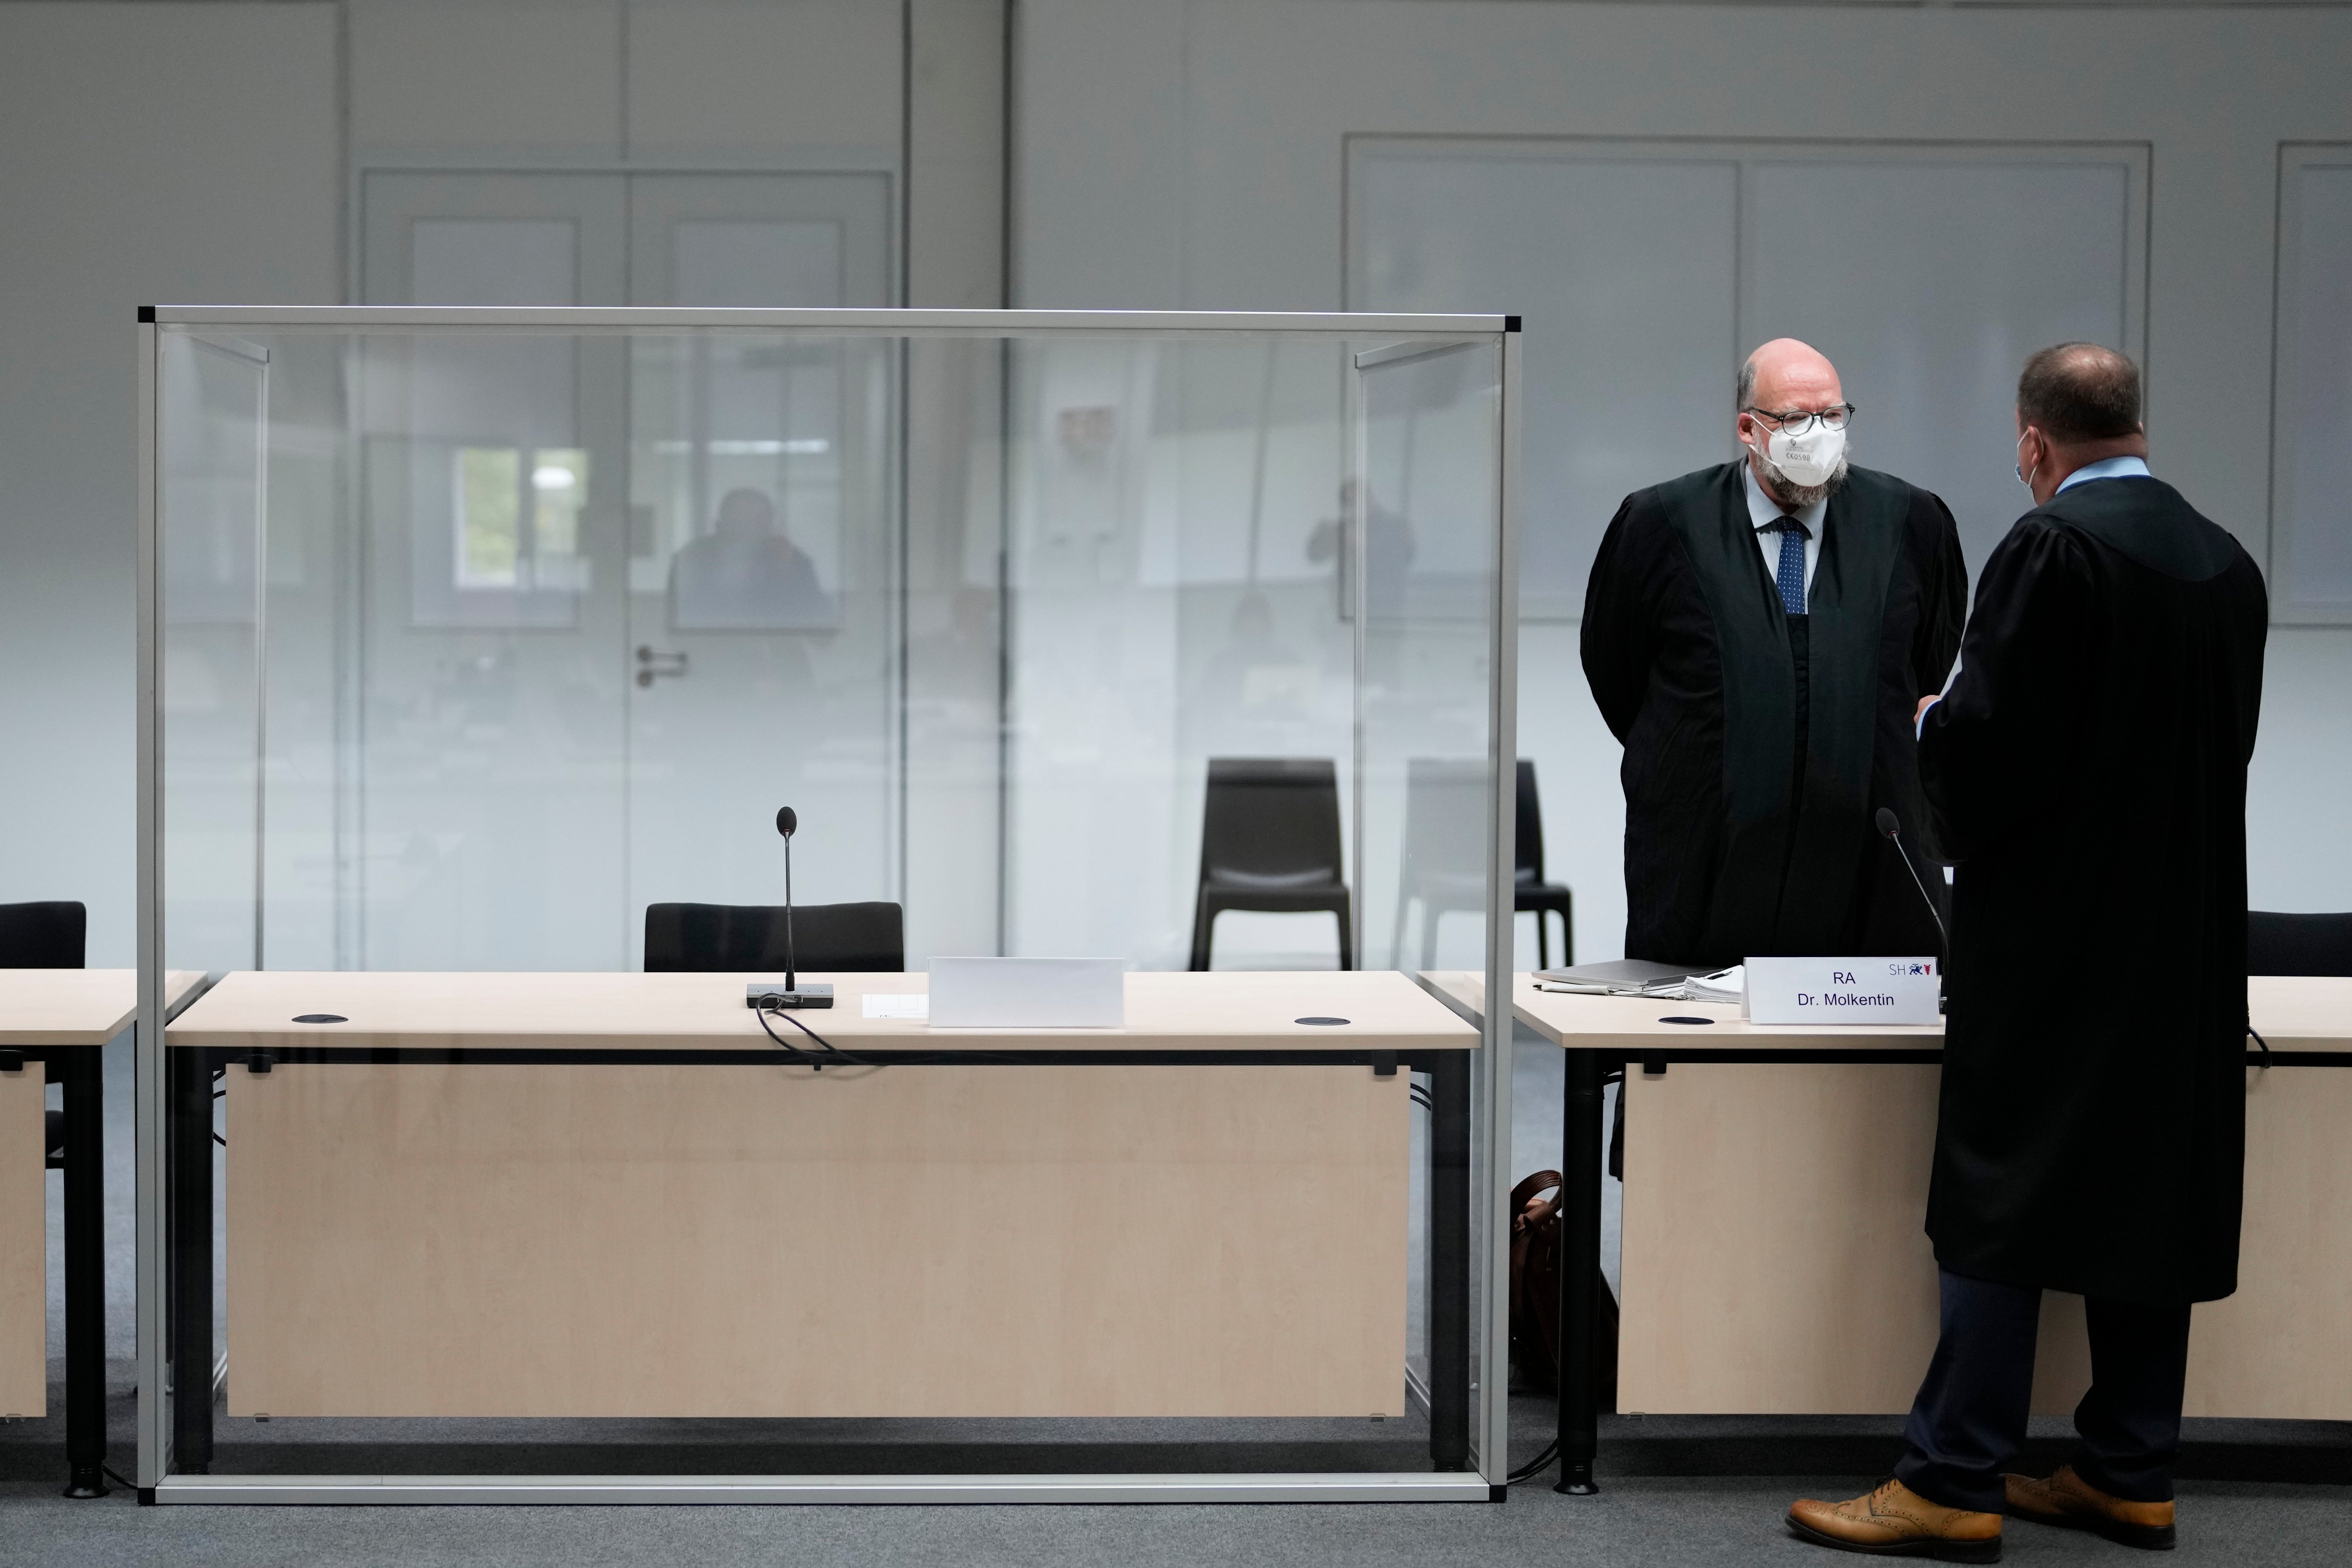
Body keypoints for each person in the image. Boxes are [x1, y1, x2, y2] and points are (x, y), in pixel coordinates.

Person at [1788, 344, 2268, 1559]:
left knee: (1999, 1194)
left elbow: (1990, 752)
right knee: (2147, 1193)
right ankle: (2127, 1468)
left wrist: (1930, 727)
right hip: (2184, 953)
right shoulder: (2226, 564)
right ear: (2138, 427)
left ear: (2033, 444)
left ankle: (1952, 1473)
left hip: (2055, 950)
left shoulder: (2049, 548)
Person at [1581, 339, 1966, 969]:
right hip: (1706, 865)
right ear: (1747, 428)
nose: (1816, 434)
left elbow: (1925, 659)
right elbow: (1615, 668)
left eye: (1832, 416)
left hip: (1868, 873)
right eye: (1792, 419)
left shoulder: (1908, 522)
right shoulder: (1661, 522)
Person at [669, 487, 832, 630]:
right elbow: (680, 621)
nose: (748, 527)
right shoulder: (693, 558)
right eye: (740, 518)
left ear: (769, 524)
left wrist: (786, 571)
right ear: (722, 521)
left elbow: (819, 622)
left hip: (778, 655)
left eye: (757, 519)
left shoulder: (789, 558)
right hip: (710, 655)